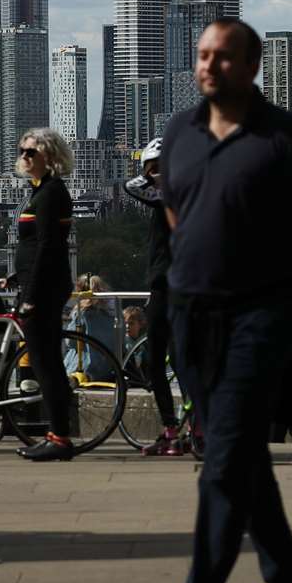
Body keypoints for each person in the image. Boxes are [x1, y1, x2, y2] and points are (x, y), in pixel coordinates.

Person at [146, 18, 292, 583]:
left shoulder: (287, 140)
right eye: (203, 56)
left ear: (252, 67)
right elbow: (177, 211)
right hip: (191, 317)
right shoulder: (177, 134)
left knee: (223, 461)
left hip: (261, 316)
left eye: (224, 57)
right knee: (233, 456)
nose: (209, 66)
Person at [1, 128, 77, 462]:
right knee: (47, 364)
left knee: (47, 366)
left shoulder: (49, 194)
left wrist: (30, 295)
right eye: (22, 151)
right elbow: (36, 247)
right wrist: (17, 276)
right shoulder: (40, 191)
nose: (25, 157)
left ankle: (59, 437)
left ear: (50, 155)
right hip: (37, 283)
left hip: (43, 290)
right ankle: (55, 435)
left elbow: (50, 246)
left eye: (32, 152)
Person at [124, 137, 182, 456]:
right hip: (181, 286)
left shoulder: (169, 196)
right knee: (169, 359)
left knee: (162, 359)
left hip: (169, 286)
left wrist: (155, 173)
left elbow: (129, 185)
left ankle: (176, 428)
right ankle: (183, 429)